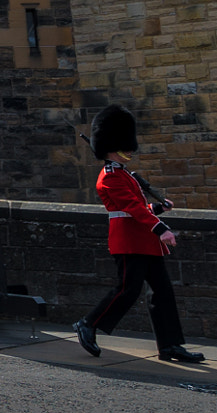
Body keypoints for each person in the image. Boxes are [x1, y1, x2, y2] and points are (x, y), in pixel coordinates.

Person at [71, 104, 204, 365]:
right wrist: (161, 228)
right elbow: (130, 208)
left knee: (163, 293)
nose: (130, 149)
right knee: (126, 290)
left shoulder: (123, 174)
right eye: (125, 144)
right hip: (130, 240)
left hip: (144, 239)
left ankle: (170, 346)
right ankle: (88, 323)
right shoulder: (109, 177)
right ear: (112, 144)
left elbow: (139, 207)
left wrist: (157, 208)